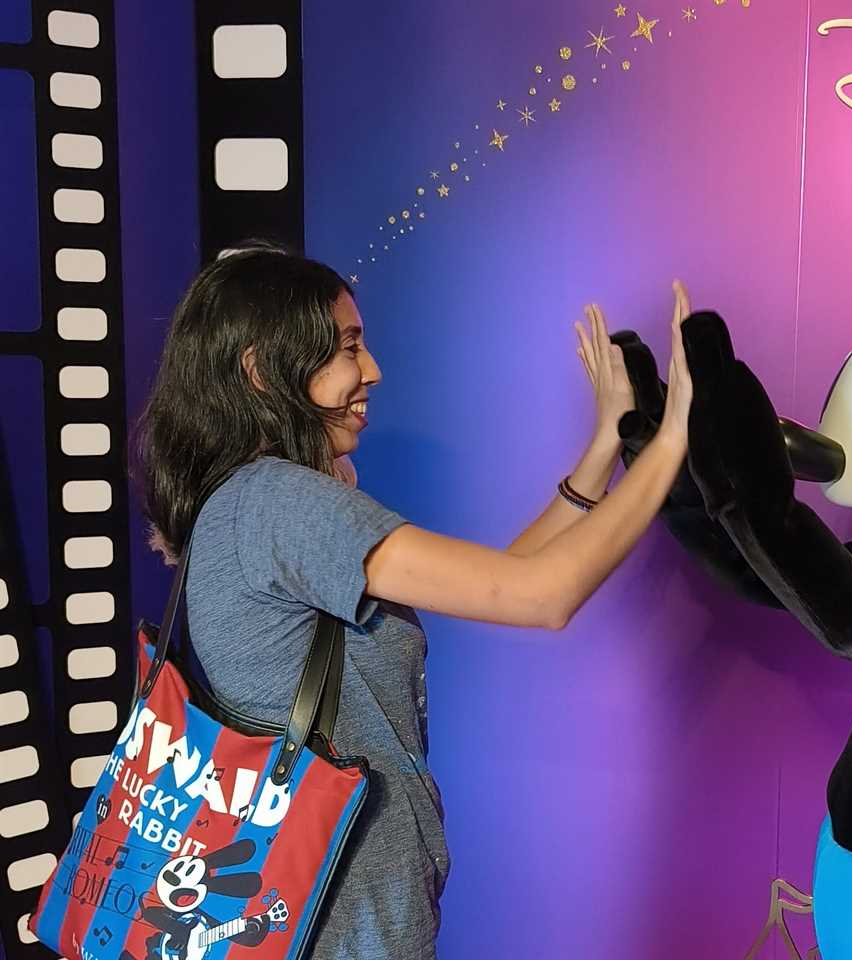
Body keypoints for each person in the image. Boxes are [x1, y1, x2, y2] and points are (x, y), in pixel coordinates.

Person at [134, 245, 693, 958]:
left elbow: (510, 573)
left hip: (333, 918)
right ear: (259, 371)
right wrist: (673, 439)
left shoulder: (246, 503)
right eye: (347, 349)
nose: (372, 372)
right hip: (344, 927)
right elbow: (545, 595)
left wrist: (604, 448)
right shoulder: (282, 504)